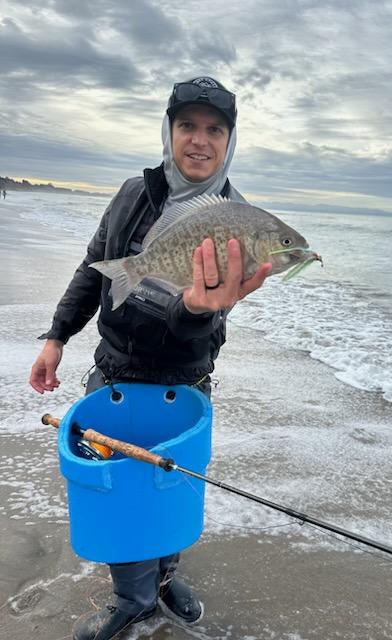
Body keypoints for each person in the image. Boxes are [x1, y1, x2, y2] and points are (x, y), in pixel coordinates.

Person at [29, 76, 271, 640]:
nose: (199, 140)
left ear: (229, 141)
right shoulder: (131, 195)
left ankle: (163, 580)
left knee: (171, 489)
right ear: (169, 131)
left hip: (185, 381)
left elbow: (199, 328)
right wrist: (56, 336)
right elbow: (94, 266)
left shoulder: (237, 219)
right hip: (113, 373)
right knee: (119, 493)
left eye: (215, 129)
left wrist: (194, 308)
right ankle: (131, 598)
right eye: (187, 125)